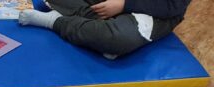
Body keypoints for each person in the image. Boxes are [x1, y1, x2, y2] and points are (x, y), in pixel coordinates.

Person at [19, 0, 190, 58]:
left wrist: (124, 4)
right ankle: (96, 31)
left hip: (154, 13)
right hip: (115, 4)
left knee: (116, 38)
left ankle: (55, 21)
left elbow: (172, 6)